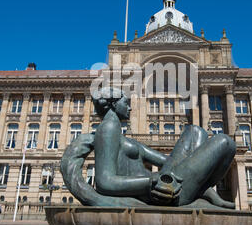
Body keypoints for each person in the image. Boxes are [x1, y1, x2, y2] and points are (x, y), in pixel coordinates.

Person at [63, 87, 236, 208]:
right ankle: (197, 189)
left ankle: (201, 190)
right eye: (126, 102)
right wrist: (150, 182)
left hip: (166, 181)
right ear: (114, 104)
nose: (130, 107)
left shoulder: (119, 135)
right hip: (161, 194)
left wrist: (202, 171)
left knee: (195, 131)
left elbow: (167, 161)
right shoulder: (107, 129)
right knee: (224, 142)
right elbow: (104, 182)